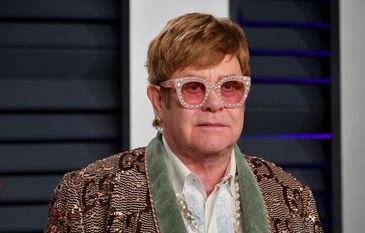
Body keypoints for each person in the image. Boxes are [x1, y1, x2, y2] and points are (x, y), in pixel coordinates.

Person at [44, 12, 323, 233]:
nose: (214, 104)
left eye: (229, 87)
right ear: (158, 101)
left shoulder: (293, 197)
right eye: (193, 87)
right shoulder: (87, 196)